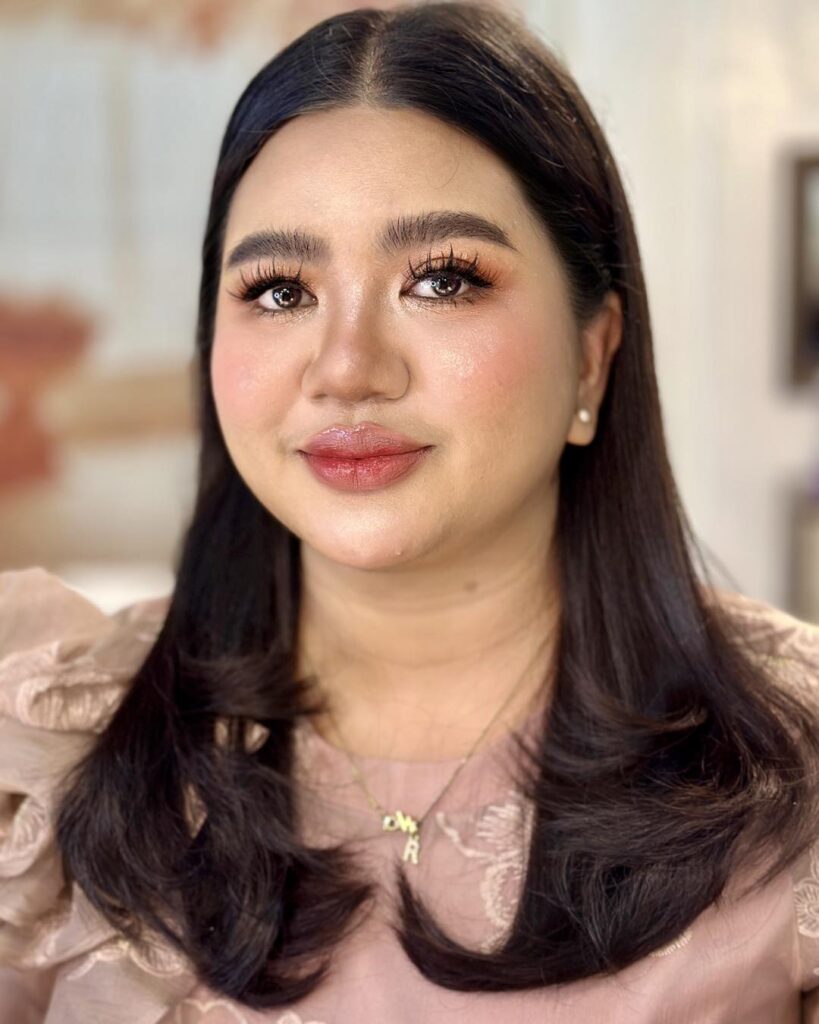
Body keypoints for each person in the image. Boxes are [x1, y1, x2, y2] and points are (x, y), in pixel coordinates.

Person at [1, 2, 818, 1021]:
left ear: (595, 353)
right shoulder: (39, 755)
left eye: (442, 279)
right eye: (279, 291)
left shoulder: (797, 784)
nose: (347, 369)